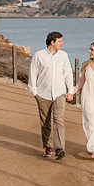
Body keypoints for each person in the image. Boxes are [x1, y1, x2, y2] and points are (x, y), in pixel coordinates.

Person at [28, 31, 74, 160]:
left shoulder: (63, 55)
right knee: (46, 123)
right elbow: (33, 73)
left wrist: (70, 90)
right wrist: (34, 92)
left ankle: (59, 149)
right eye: (59, 41)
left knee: (59, 121)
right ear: (52, 42)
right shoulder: (38, 56)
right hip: (43, 94)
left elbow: (68, 73)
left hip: (59, 93)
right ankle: (48, 147)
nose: (62, 43)